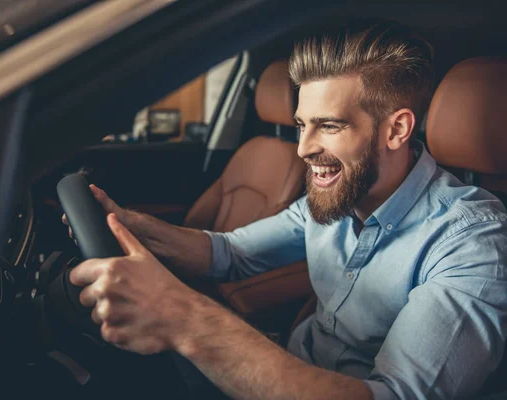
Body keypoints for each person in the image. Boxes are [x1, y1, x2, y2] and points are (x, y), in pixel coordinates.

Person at [63, 20, 507, 399]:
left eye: (329, 126)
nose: (303, 150)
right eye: (301, 125)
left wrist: (183, 318)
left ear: (396, 130)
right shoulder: (335, 198)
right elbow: (228, 253)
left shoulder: (472, 245)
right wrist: (126, 224)